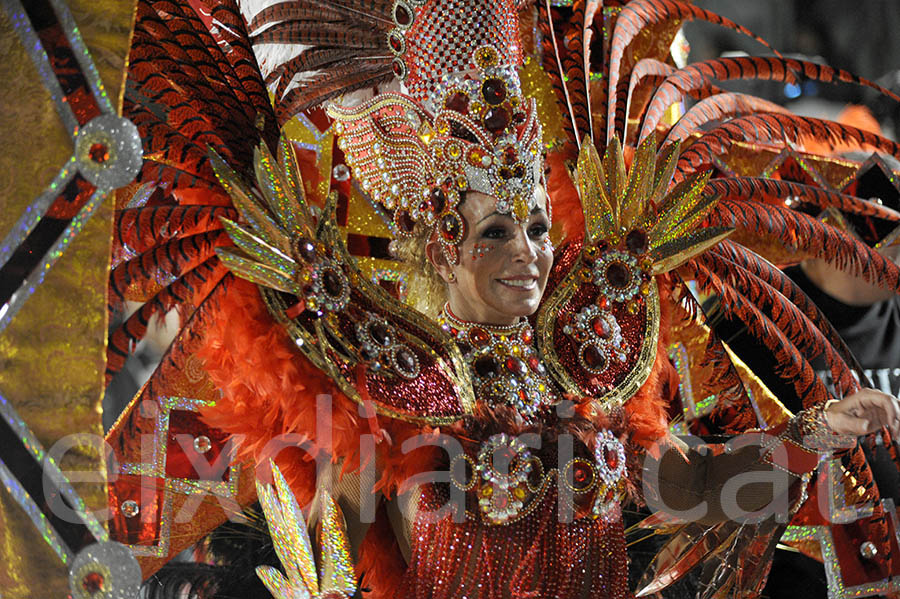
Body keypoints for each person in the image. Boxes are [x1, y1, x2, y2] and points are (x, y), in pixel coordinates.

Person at [100, 0, 900, 597]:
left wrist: (807, 437)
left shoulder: (591, 364)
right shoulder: (389, 387)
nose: (528, 256)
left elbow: (693, 489)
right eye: (494, 234)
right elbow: (337, 551)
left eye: (537, 227)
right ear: (443, 244)